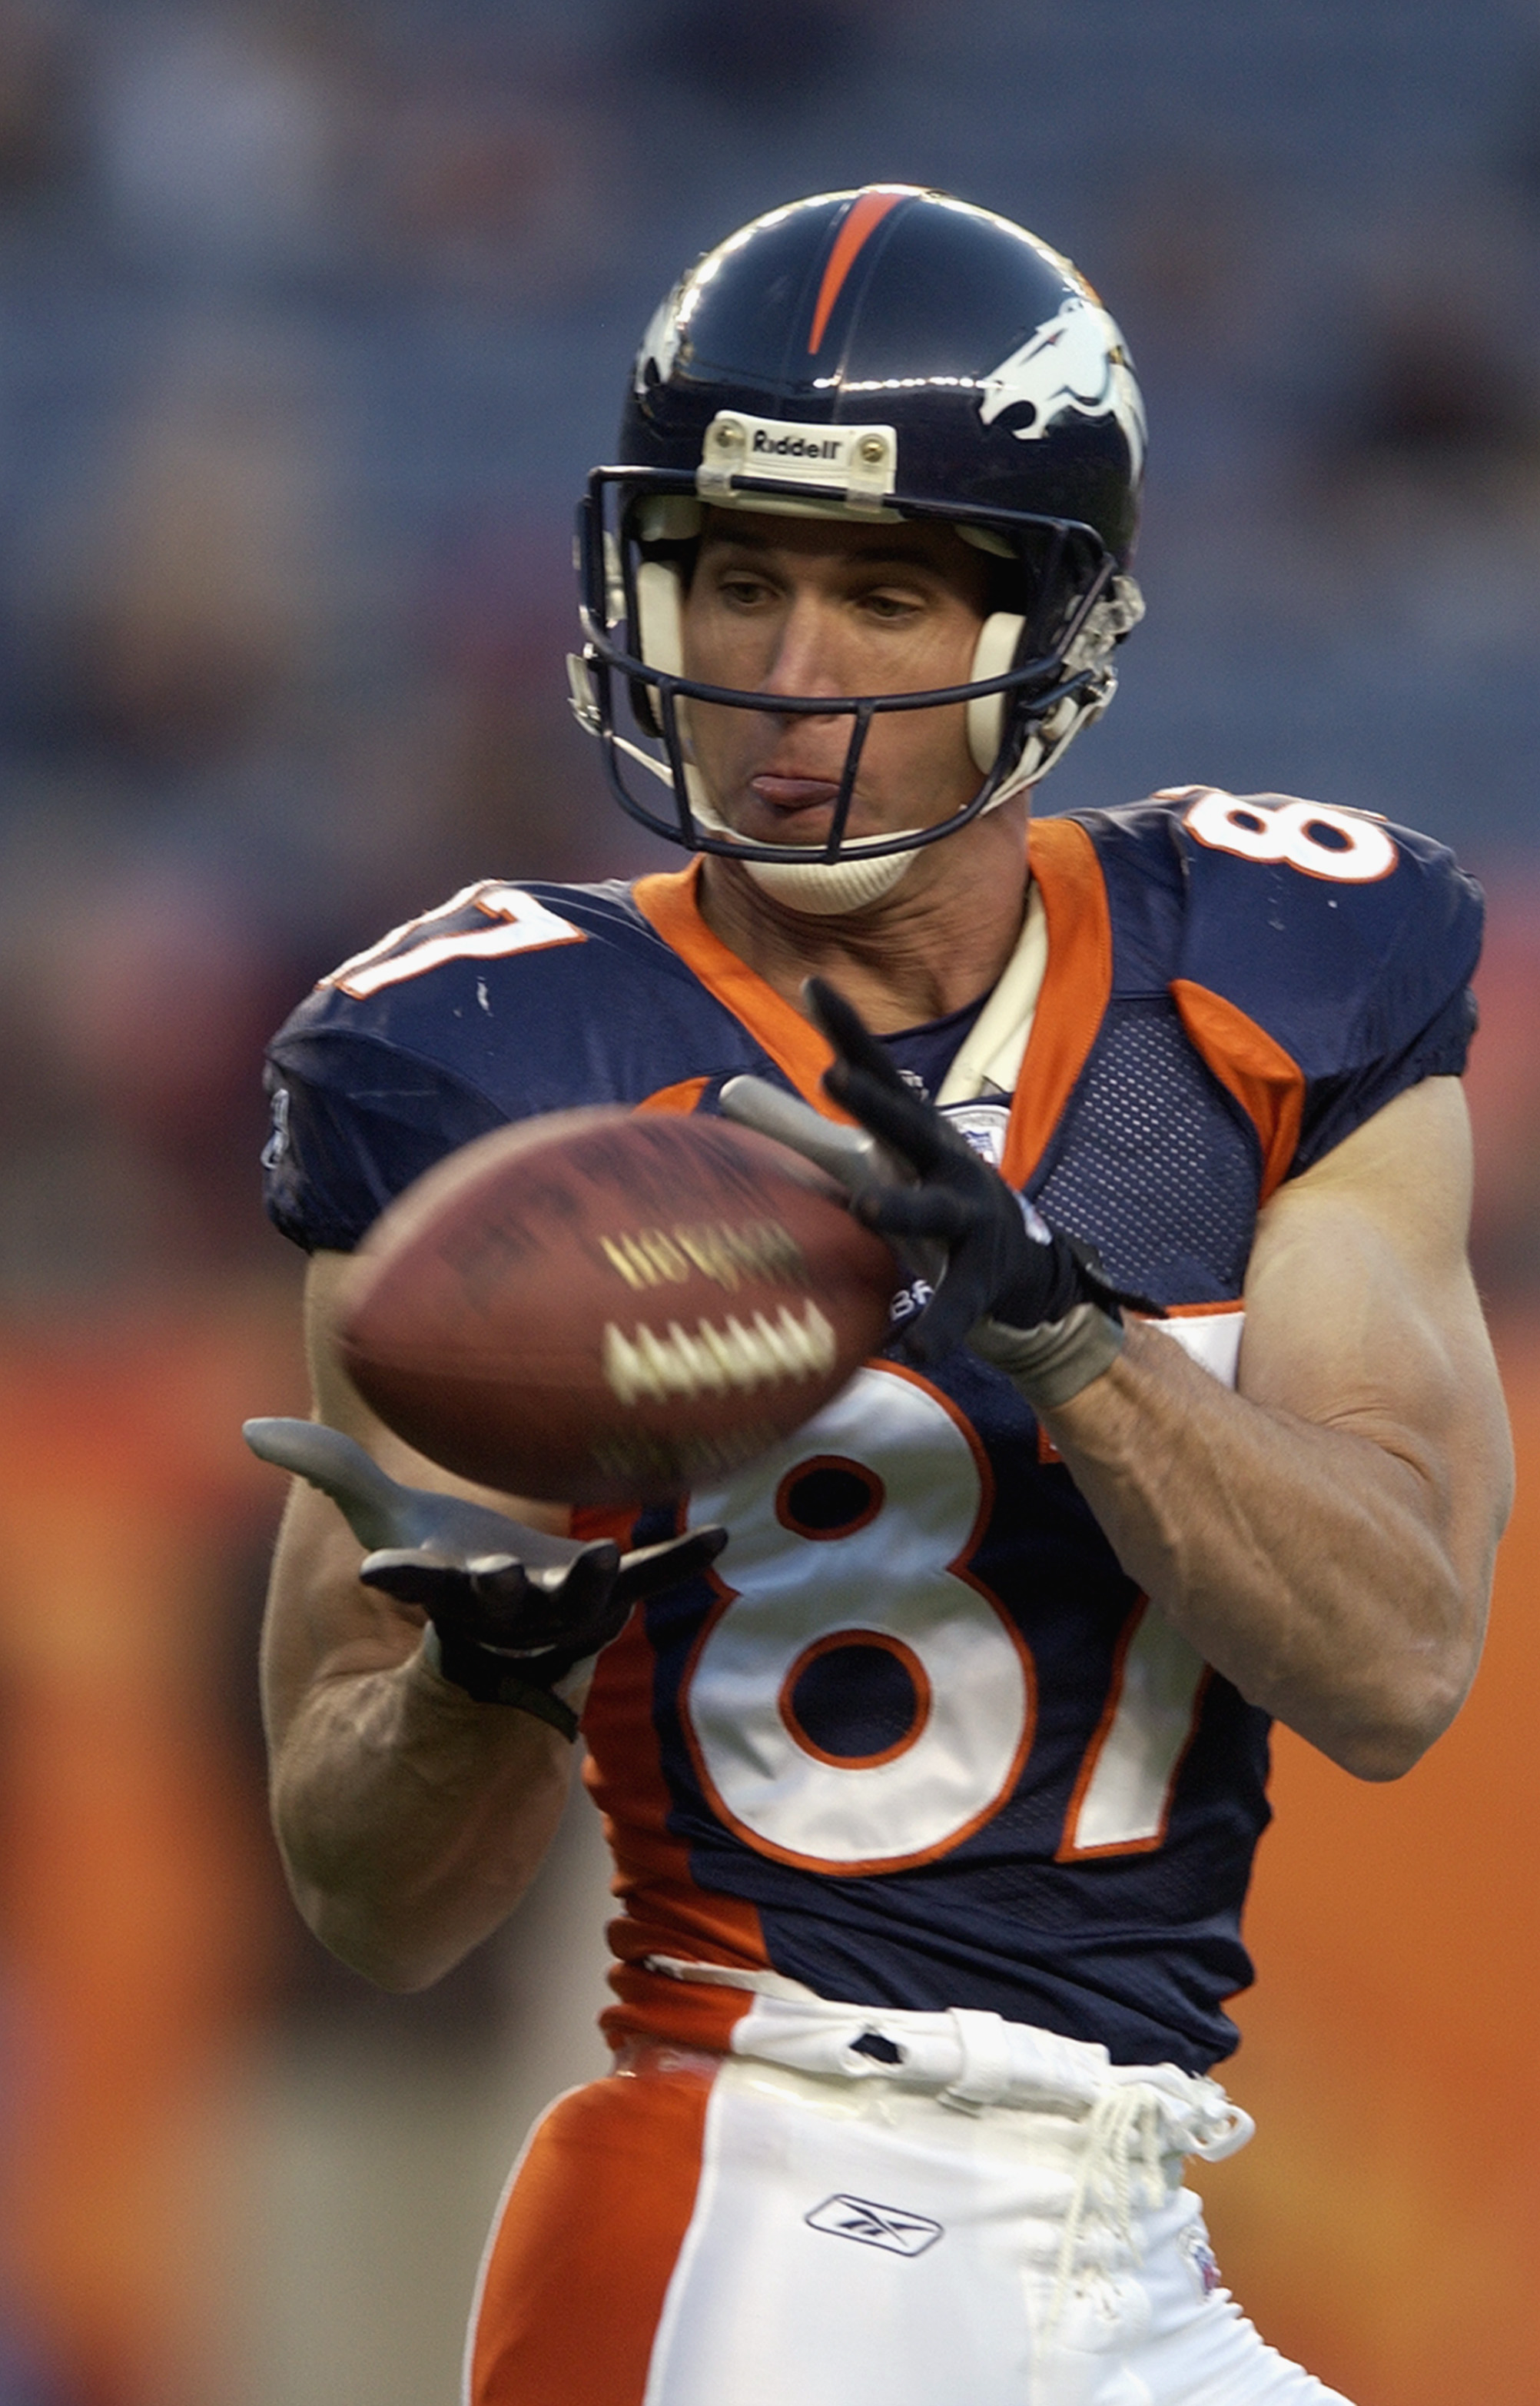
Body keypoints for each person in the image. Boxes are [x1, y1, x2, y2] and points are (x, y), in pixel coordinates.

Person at [251, 187, 1512, 2406]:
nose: (790, 673)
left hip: (1123, 2231)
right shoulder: (489, 1057)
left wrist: (1061, 1336)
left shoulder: (1271, 980)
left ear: (1046, 626)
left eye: (879, 591)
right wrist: (475, 1679)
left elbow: (1396, 1657)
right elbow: (373, 1890)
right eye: (739, 579)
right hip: (752, 2197)